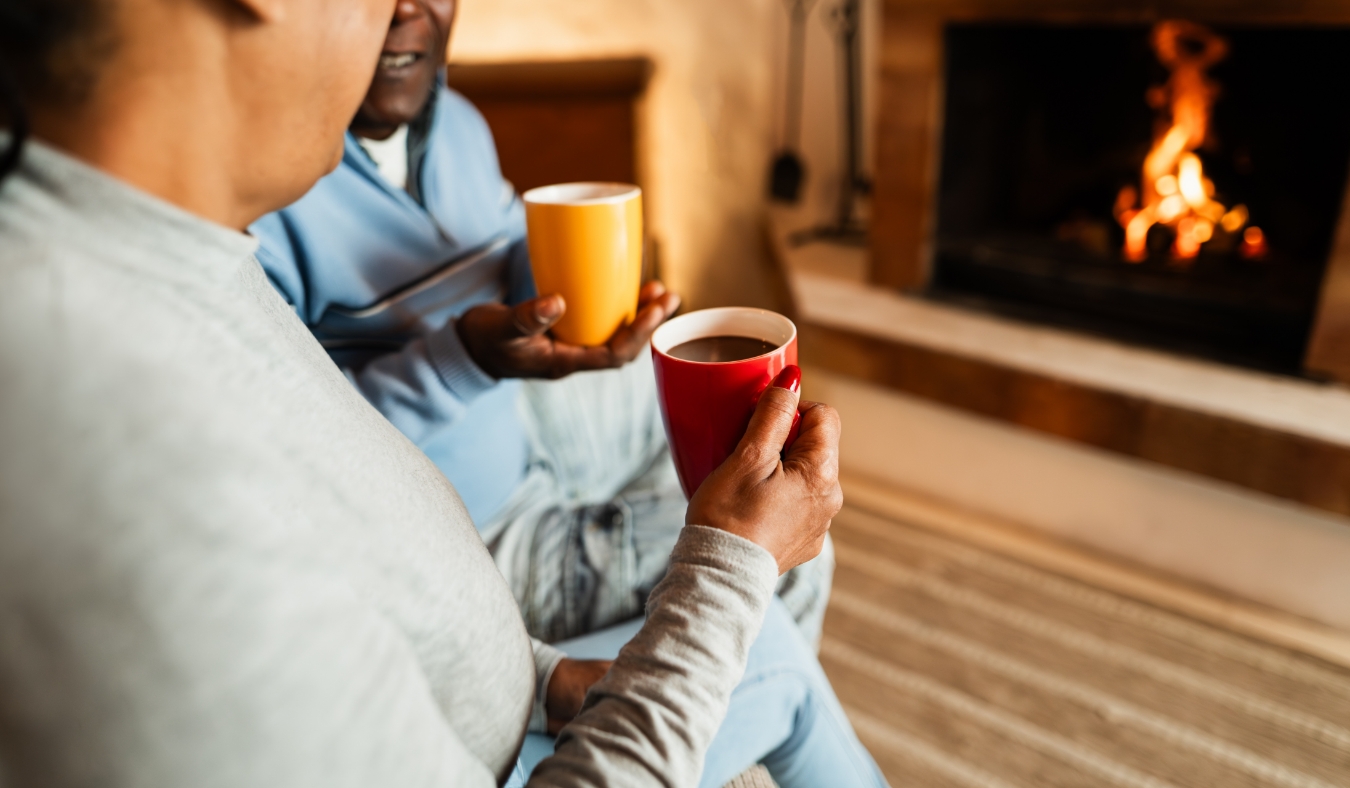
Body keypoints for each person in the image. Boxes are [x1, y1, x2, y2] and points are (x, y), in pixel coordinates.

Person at [0, 0, 888, 786]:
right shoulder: (114, 443)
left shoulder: (194, 260)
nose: (399, 14)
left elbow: (356, 548)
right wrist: (730, 562)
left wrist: (541, 678)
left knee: (771, 646)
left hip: (516, 691)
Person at [248, 0, 835, 650]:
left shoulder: (455, 123)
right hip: (471, 534)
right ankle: (740, 689)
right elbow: (297, 457)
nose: (406, 7)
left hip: (528, 432)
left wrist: (575, 270)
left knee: (745, 445)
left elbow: (503, 254)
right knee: (776, 549)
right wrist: (466, 358)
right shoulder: (265, 197)